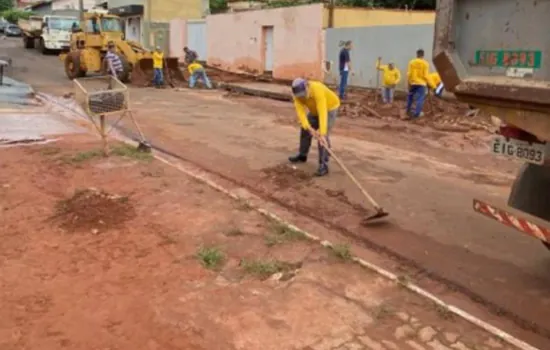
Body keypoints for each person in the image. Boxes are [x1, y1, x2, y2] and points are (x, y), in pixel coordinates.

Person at [288, 78, 340, 177]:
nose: (302, 97)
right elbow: (301, 114)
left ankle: (323, 165)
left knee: (322, 137)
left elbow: (322, 111)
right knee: (304, 129)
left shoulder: (317, 89)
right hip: (314, 110)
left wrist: (322, 132)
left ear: (307, 87)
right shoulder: (297, 96)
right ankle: (302, 155)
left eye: (303, 95)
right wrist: (308, 127)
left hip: (329, 108)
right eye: (300, 96)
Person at [406, 49, 430, 119]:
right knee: (420, 99)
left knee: (410, 97)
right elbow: (426, 76)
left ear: (417, 54)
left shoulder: (411, 62)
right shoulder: (425, 63)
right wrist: (430, 84)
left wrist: (409, 83)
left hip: (413, 83)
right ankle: (416, 114)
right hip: (421, 84)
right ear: (423, 55)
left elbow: (409, 74)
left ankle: (408, 111)